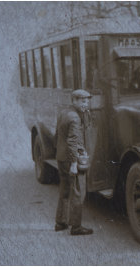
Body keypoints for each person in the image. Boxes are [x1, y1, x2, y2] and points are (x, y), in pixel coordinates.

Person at [54, 89, 93, 235]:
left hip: (61, 157)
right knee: (77, 193)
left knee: (64, 191)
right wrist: (74, 164)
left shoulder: (64, 113)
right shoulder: (75, 118)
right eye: (82, 101)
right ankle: (76, 227)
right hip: (70, 160)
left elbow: (57, 136)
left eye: (87, 101)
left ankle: (60, 222)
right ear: (74, 100)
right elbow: (72, 142)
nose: (86, 104)